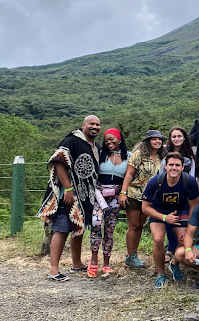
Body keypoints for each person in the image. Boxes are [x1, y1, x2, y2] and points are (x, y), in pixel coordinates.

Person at [37, 115, 101, 281]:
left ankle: (77, 263)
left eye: (97, 124)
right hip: (68, 194)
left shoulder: (95, 146)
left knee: (78, 228)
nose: (95, 127)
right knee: (62, 228)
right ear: (83, 125)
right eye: (91, 124)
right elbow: (59, 162)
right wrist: (68, 188)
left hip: (84, 195)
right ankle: (53, 269)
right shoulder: (71, 141)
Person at [141, 152, 199, 288]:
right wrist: (164, 217)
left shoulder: (189, 181)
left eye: (177, 165)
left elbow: (193, 206)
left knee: (183, 239)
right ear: (165, 166)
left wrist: (189, 229)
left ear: (182, 167)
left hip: (181, 211)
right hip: (159, 211)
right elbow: (145, 208)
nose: (174, 168)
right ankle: (161, 273)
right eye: (171, 165)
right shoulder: (155, 181)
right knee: (158, 239)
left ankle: (174, 265)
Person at [118, 130, 166, 268]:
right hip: (134, 194)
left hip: (150, 197)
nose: (157, 142)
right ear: (148, 141)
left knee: (140, 225)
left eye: (160, 139)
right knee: (134, 225)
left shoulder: (161, 157)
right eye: (154, 139)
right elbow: (129, 173)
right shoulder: (138, 154)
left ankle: (133, 254)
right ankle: (130, 255)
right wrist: (123, 192)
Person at [88, 128, 129, 277]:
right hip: (98, 195)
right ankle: (93, 260)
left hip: (116, 196)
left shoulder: (128, 157)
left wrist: (123, 193)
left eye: (112, 139)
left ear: (119, 140)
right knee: (96, 223)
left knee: (109, 229)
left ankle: (106, 263)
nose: (109, 142)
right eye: (106, 140)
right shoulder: (99, 155)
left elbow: (129, 176)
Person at [160, 126, 196, 263]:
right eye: (174, 136)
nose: (177, 139)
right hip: (167, 191)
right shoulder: (165, 154)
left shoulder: (190, 156)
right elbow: (161, 172)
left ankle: (180, 249)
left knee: (182, 221)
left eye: (179, 136)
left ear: (184, 138)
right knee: (169, 219)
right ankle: (170, 248)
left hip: (184, 192)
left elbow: (192, 174)